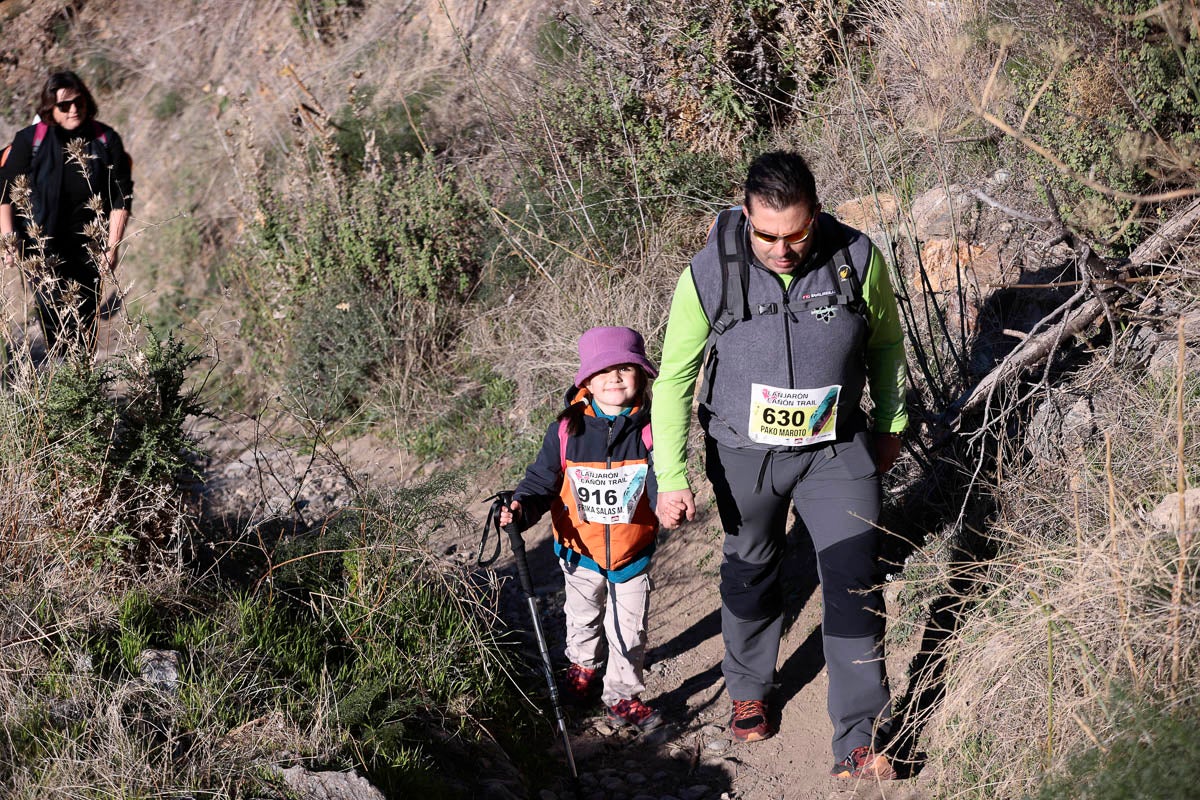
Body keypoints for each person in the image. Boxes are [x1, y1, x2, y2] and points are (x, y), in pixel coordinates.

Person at [652, 151, 908, 780]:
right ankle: (748, 687)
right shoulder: (710, 271)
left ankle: (857, 735)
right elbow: (674, 377)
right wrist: (671, 473)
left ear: (815, 215)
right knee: (753, 568)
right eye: (766, 235)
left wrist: (890, 427)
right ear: (746, 216)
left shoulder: (858, 259)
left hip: (834, 451)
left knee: (852, 577)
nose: (783, 248)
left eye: (796, 233)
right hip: (744, 455)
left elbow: (886, 345)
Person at [500, 326, 665, 732]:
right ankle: (584, 666)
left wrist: (671, 503)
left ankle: (622, 695)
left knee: (630, 629)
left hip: (632, 554)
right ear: (587, 381)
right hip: (580, 552)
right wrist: (521, 510)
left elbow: (665, 483)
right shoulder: (566, 430)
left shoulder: (652, 431)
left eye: (626, 368)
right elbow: (541, 482)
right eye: (604, 370)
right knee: (582, 616)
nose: (614, 378)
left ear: (642, 376)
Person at [0, 70, 133, 355]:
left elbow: (122, 196)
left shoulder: (106, 140)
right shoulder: (29, 141)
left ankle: (81, 378)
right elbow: (4, 193)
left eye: (79, 103)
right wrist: (10, 240)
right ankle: (63, 376)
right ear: (50, 108)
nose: (73, 110)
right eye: (64, 105)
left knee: (85, 318)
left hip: (88, 246)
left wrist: (113, 246)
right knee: (52, 315)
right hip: (40, 247)